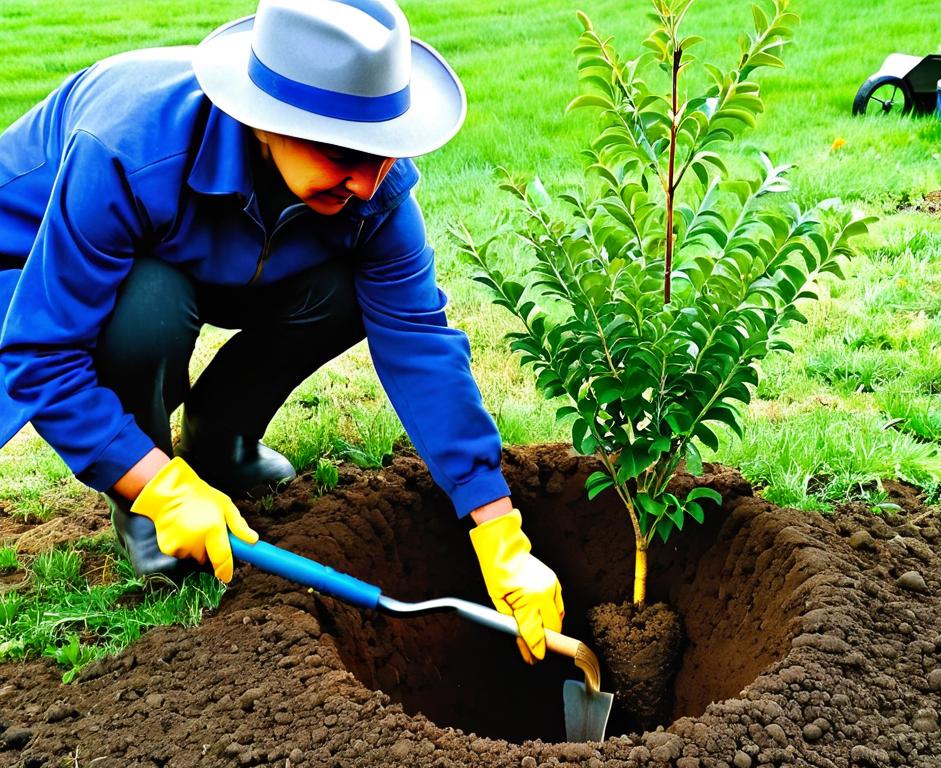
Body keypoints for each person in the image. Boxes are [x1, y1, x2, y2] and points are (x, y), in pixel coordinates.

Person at [0, 0, 563, 665]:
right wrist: (154, 484)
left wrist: (498, 529)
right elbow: (40, 353)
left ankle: (221, 438)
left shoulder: (373, 192)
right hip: (45, 262)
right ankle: (144, 495)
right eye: (343, 153)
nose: (368, 180)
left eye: (384, 152)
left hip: (223, 252)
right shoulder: (128, 148)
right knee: (147, 303)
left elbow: (419, 339)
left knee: (356, 286)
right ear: (264, 121)